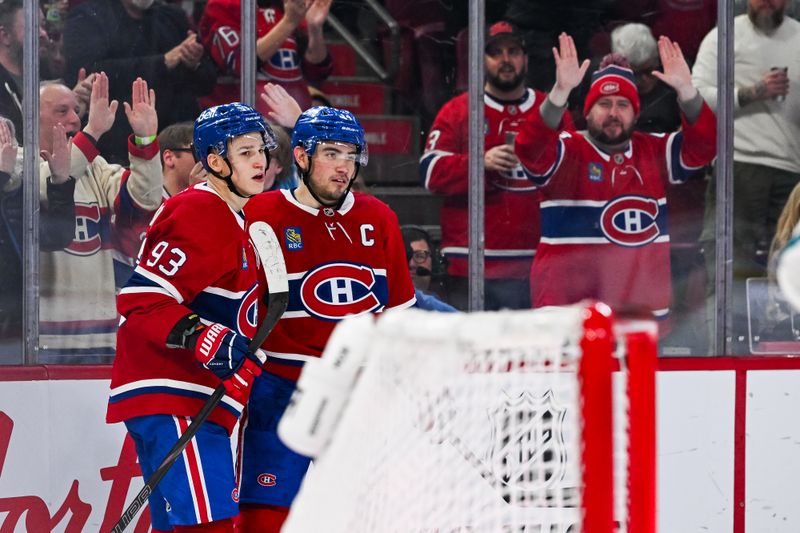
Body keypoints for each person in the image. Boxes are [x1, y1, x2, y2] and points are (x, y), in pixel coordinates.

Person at [244, 106, 417, 532]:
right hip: (280, 393)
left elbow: (399, 316)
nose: (344, 168)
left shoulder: (378, 218)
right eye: (332, 154)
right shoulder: (260, 215)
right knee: (267, 517)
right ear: (301, 157)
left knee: (366, 516)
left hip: (360, 398)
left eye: (351, 156)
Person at [107, 103, 277, 533]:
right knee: (210, 526)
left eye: (261, 149)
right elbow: (142, 297)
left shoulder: (238, 219)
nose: (260, 160)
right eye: (245, 152)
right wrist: (204, 337)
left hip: (188, 396)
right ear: (216, 161)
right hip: (175, 393)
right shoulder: (201, 210)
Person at [514, 33, 716, 326]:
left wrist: (687, 91)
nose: (613, 113)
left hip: (639, 313)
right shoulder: (567, 150)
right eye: (603, 104)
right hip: (566, 313)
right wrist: (560, 92)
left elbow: (705, 147)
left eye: (623, 105)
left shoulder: (653, 151)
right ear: (587, 111)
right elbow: (530, 147)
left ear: (635, 113)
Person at [421, 21, 572, 311]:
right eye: (496, 52)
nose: (506, 60)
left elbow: (572, 175)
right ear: (481, 60)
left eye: (513, 51)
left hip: (536, 263)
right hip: (471, 264)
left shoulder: (550, 110)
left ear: (525, 58)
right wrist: (479, 164)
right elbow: (429, 173)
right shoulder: (459, 110)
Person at [692, 0, 800, 350]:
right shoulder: (724, 35)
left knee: (790, 275)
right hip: (737, 165)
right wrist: (752, 93)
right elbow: (696, 99)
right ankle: (721, 356)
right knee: (728, 270)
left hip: (792, 173)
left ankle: (785, 358)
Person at [37, 74, 164, 362]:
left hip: (103, 337)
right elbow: (50, 185)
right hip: (42, 340)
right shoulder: (18, 163)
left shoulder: (97, 168)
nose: (74, 120)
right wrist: (94, 130)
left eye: (76, 112)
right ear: (31, 117)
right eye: (61, 111)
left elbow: (146, 199)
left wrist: (146, 140)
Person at [63, 0, 217, 164]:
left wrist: (195, 62)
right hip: (118, 149)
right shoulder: (87, 17)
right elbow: (91, 74)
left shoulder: (172, 17)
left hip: (177, 146)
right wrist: (163, 62)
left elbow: (207, 82)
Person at [0, 117, 74, 354]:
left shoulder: (22, 192)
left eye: (6, 141)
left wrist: (61, 182)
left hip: (18, 326)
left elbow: (58, 236)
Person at [199, 0, 333, 118]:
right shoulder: (222, 5)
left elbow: (316, 73)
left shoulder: (289, 5)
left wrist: (314, 28)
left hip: (293, 120)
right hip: (241, 124)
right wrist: (288, 22)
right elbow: (239, 62)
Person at [0, 0, 50, 143]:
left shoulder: (46, 75)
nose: (43, 34)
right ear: (5, 36)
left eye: (43, 26)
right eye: (33, 27)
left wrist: (72, 103)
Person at [401, 224, 456, 312]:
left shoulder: (455, 298)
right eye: (404, 256)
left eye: (419, 255)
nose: (411, 264)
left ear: (433, 261)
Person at [158, 121, 207, 198]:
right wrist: (194, 193)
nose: (205, 159)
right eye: (197, 152)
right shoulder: (151, 203)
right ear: (169, 158)